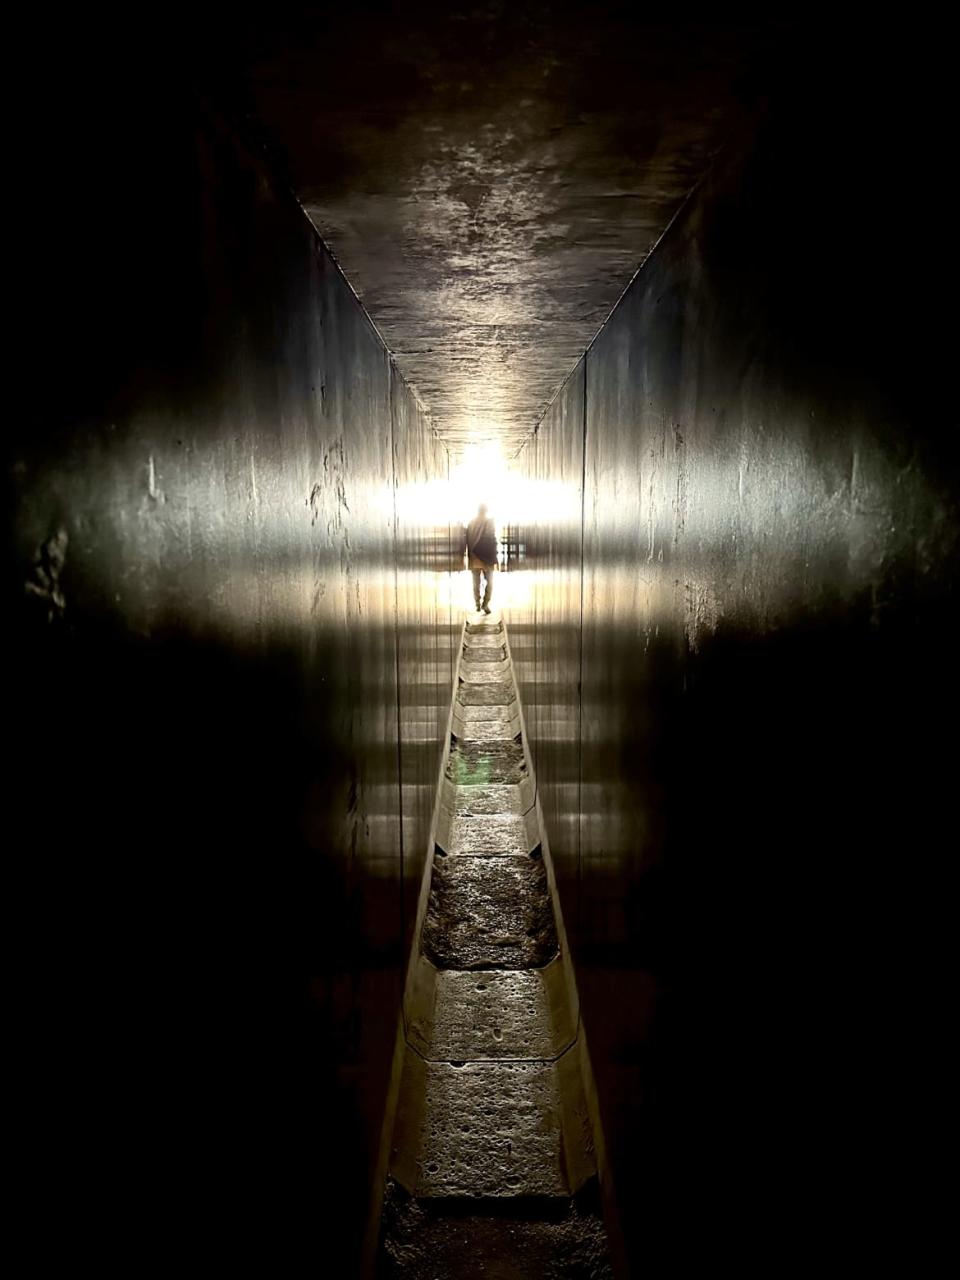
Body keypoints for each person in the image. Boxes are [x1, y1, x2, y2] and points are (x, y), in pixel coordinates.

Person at [464, 503, 498, 614]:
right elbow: (491, 540)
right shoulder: (489, 522)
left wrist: (469, 556)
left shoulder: (471, 523)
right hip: (487, 558)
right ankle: (485, 604)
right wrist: (494, 558)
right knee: (490, 582)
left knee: (475, 582)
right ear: (486, 510)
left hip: (474, 558)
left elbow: (467, 541)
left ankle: (477, 604)